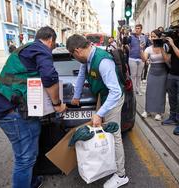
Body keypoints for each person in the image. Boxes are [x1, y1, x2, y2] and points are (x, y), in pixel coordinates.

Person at [0, 26, 66, 188]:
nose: (52, 50)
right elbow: (48, 76)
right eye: (53, 47)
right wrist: (57, 105)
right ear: (51, 40)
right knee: (24, 158)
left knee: (30, 150)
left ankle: (32, 182)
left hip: (11, 106)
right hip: (12, 110)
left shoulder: (26, 49)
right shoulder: (41, 48)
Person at [66, 34, 129, 188]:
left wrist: (100, 113)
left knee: (115, 136)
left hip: (113, 99)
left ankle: (121, 175)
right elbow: (82, 76)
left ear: (78, 50)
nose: (75, 59)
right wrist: (76, 96)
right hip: (103, 95)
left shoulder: (103, 61)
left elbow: (115, 92)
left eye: (73, 55)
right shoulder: (87, 59)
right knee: (101, 129)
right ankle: (107, 162)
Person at [141, 29, 170, 121]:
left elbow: (167, 60)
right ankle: (148, 110)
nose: (153, 38)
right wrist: (140, 49)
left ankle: (159, 112)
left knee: (161, 92)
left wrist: (161, 48)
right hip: (152, 71)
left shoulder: (165, 46)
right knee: (149, 91)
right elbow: (144, 59)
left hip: (163, 71)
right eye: (151, 36)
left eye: (155, 37)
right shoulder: (148, 48)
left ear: (159, 37)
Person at [126, 24, 147, 96]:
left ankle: (138, 90)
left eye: (138, 28)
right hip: (132, 58)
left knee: (139, 75)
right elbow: (125, 42)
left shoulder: (145, 37)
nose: (137, 29)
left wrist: (146, 55)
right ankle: (133, 90)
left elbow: (149, 46)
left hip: (141, 59)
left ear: (141, 29)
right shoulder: (131, 37)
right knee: (133, 75)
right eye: (136, 28)